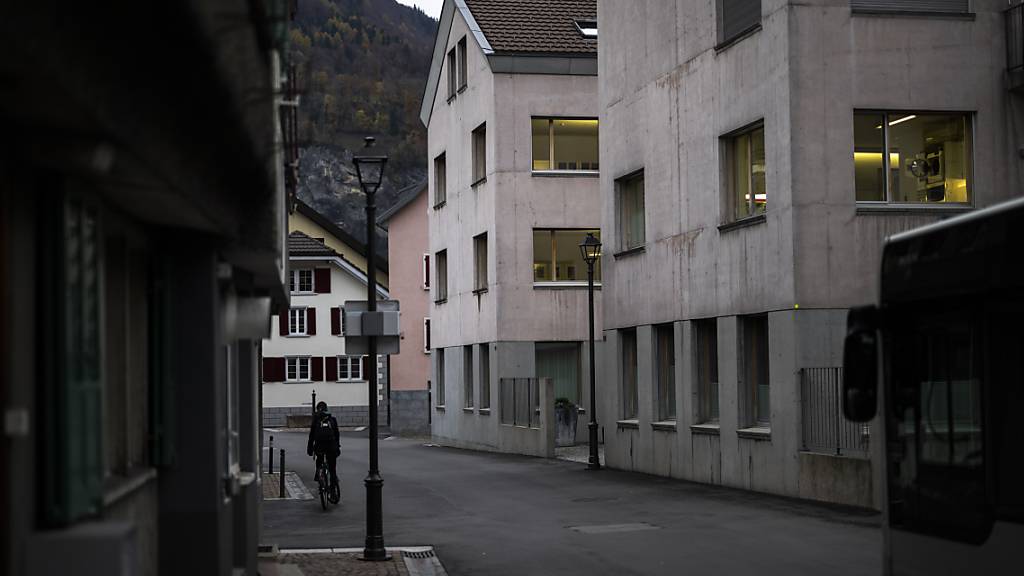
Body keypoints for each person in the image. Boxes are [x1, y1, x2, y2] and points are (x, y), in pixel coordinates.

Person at [307, 401, 340, 501]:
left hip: (319, 447)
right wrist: (337, 447)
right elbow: (337, 435)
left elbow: (311, 436)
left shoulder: (316, 420)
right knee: (332, 469)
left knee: (319, 461)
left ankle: (319, 476)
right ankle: (333, 492)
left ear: (317, 409)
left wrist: (310, 449)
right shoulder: (332, 419)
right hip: (331, 447)